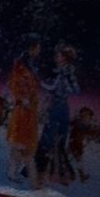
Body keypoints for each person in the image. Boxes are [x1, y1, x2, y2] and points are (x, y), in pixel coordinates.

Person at [36, 44, 80, 185]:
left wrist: (42, 82)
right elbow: (54, 87)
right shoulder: (59, 71)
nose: (56, 57)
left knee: (55, 138)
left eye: (59, 55)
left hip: (59, 107)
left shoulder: (66, 73)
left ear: (65, 58)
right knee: (52, 137)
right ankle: (44, 170)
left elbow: (74, 89)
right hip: (58, 106)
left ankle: (52, 171)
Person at [7, 34, 42, 185]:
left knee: (23, 145)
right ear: (32, 48)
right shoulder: (22, 67)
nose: (39, 51)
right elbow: (15, 86)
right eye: (38, 47)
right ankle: (21, 175)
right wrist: (23, 99)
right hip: (23, 111)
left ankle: (15, 173)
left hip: (29, 111)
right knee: (22, 145)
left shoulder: (29, 65)